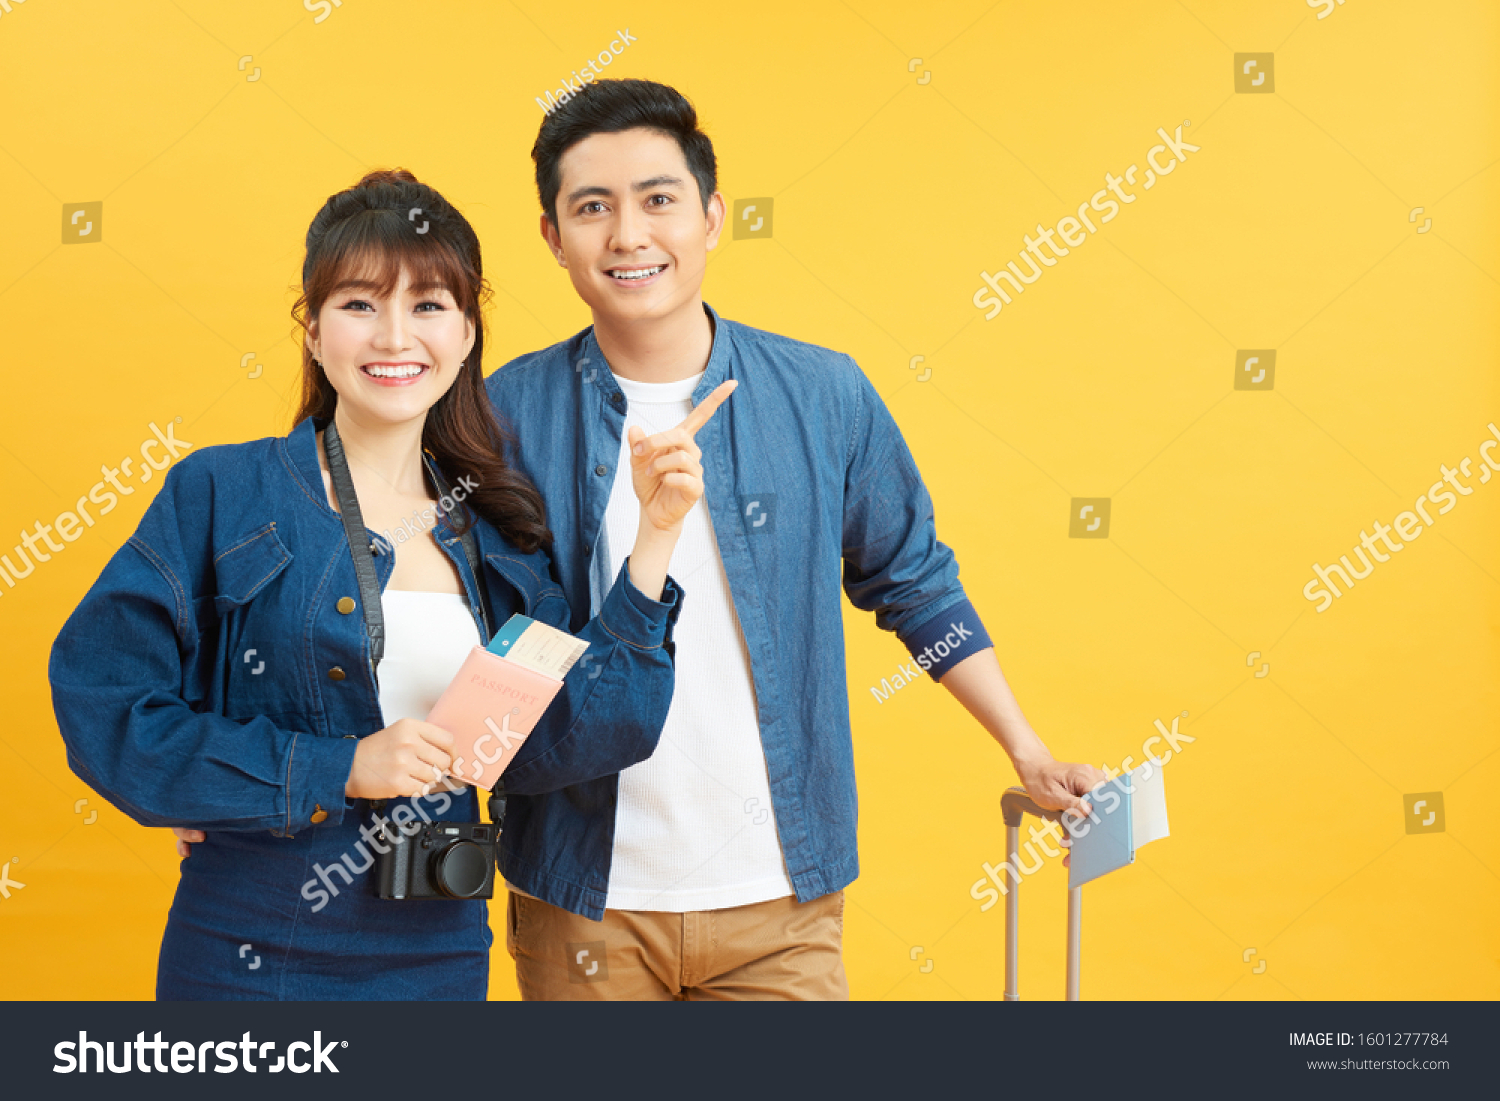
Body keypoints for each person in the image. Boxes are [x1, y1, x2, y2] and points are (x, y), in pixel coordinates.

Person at [483, 78, 1108, 1001]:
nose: (628, 235)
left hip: (780, 898)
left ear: (711, 217)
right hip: (583, 897)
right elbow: (470, 640)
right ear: (552, 236)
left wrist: (1027, 748)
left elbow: (914, 583)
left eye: (658, 199)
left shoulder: (823, 395)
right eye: (593, 208)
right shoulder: (502, 415)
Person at [50, 168, 732, 1000]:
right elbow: (105, 700)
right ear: (312, 330)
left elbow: (577, 735)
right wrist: (334, 767)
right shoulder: (224, 493)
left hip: (437, 951)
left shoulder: (497, 533)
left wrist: (655, 538)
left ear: (468, 333)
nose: (395, 337)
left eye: (429, 305)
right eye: (360, 304)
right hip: (249, 946)